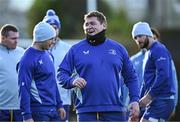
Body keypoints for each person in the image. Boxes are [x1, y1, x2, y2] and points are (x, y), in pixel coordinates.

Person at [57, 11, 140, 121]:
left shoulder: (119, 49)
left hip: (115, 110)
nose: (89, 27)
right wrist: (72, 81)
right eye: (86, 24)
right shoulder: (75, 50)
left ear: (104, 25)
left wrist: (134, 100)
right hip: (86, 111)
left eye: (92, 23)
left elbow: (131, 77)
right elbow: (61, 74)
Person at [17, 21, 66, 122]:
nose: (53, 41)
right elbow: (23, 88)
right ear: (42, 38)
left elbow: (53, 81)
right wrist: (27, 116)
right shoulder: (27, 59)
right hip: (38, 112)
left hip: (53, 110)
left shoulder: (49, 54)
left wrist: (59, 104)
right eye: (51, 39)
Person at [131, 22, 176, 121]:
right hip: (154, 101)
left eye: (140, 36)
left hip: (162, 100)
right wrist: (138, 104)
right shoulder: (149, 52)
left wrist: (149, 96)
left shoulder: (159, 49)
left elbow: (164, 75)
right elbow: (145, 82)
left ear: (148, 34)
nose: (138, 40)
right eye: (135, 38)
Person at [43, 9, 72, 122]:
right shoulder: (36, 49)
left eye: (55, 27)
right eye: (49, 26)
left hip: (63, 101)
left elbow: (75, 74)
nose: (53, 30)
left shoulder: (68, 49)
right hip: (42, 102)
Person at [0, 24, 24, 121]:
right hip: (1, 108)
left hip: (19, 107)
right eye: (13, 38)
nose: (16, 41)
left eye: (17, 38)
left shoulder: (22, 52)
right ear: (3, 38)